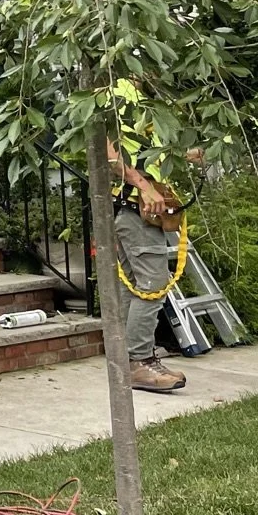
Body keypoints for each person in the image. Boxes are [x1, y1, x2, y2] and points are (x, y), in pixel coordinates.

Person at [106, 134, 192, 393]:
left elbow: (151, 154)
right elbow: (110, 156)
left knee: (131, 286)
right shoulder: (111, 96)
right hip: (135, 208)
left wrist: (187, 154)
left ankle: (127, 362)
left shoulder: (143, 104)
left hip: (132, 209)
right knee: (153, 284)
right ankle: (139, 362)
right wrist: (145, 187)